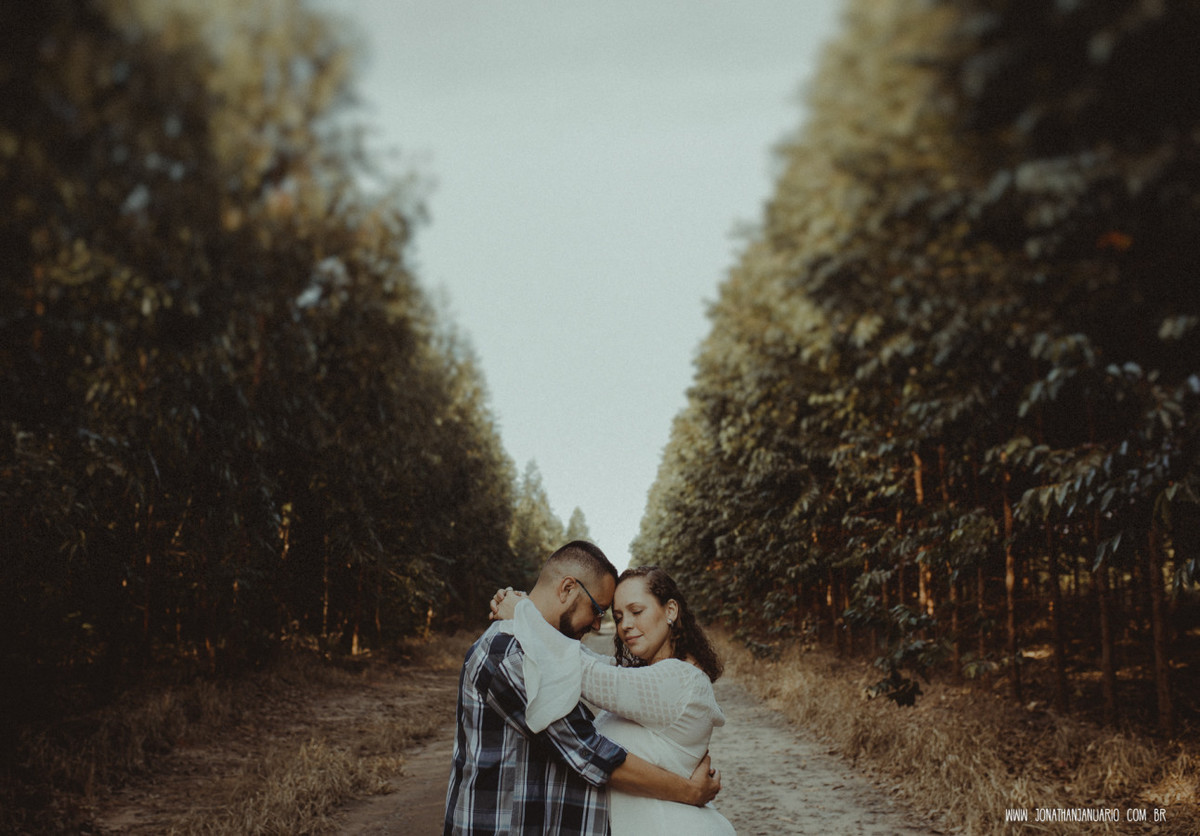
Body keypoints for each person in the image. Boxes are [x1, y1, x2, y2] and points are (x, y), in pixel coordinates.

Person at [444, 541, 721, 835]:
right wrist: (689, 791)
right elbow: (589, 752)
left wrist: (525, 613)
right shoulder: (512, 655)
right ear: (566, 589)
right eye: (599, 610)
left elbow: (595, 669)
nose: (599, 625)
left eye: (634, 611)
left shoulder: (544, 653)